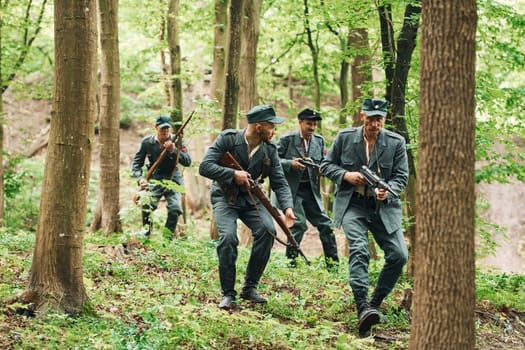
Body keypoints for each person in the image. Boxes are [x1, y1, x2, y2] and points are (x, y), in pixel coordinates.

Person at [320, 98, 408, 335]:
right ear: (362, 117)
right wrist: (346, 175)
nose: (374, 123)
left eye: (379, 119)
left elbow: (401, 177)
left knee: (399, 255)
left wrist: (387, 190)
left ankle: (374, 304)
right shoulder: (345, 137)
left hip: (383, 207)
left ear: (385, 120)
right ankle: (361, 305)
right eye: (370, 118)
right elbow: (326, 166)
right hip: (353, 204)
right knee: (359, 250)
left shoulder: (396, 142)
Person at [199, 104, 296, 310]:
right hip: (226, 197)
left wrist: (287, 207)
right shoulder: (228, 139)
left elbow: (279, 181)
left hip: (252, 200)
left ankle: (250, 287)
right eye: (271, 126)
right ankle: (228, 294)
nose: (274, 131)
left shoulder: (270, 149)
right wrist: (232, 174)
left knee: (268, 231)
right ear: (259, 127)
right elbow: (205, 166)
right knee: (228, 238)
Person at [275, 108, 339, 269]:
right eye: (308, 123)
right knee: (299, 224)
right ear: (300, 123)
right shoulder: (287, 139)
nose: (311, 127)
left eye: (314, 124)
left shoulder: (319, 140)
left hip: (311, 191)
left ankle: (334, 267)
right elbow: (272, 159)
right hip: (291, 191)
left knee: (326, 225)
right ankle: (291, 265)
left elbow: (324, 163)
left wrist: (320, 168)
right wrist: (290, 164)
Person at [131, 115, 192, 239]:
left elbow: (187, 161)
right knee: (147, 205)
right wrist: (140, 179)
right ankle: (146, 235)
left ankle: (167, 239)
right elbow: (136, 164)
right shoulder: (147, 142)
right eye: (162, 128)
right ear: (156, 127)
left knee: (175, 208)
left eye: (167, 129)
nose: (165, 131)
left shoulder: (177, 141)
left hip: (173, 178)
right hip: (154, 178)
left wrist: (174, 150)